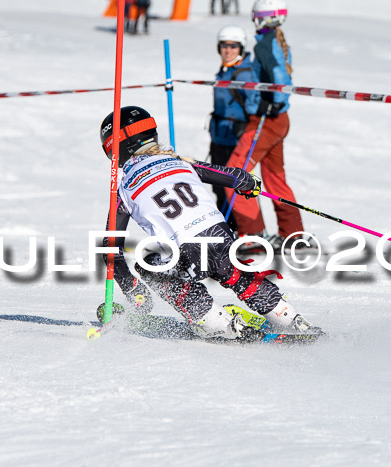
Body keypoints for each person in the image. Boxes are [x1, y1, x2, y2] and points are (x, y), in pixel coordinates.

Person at [100, 106, 317, 340]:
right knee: (234, 270)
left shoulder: (124, 189)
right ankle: (287, 317)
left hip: (185, 252)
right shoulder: (181, 163)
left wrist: (133, 288)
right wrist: (249, 184)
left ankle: (213, 321)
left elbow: (110, 249)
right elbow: (237, 177)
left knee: (148, 264)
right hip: (219, 236)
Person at [224, 0, 304, 252]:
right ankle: (293, 234)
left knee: (234, 171)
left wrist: (275, 102)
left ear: (264, 19)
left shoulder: (266, 45)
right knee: (274, 177)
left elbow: (280, 77)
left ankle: (252, 234)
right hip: (278, 120)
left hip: (267, 120)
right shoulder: (276, 41)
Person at [209, 25, 259, 233]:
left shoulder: (245, 73)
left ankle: (244, 229)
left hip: (236, 138)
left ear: (241, 47)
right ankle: (226, 229)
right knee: (218, 185)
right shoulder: (225, 69)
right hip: (219, 136)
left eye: (233, 46)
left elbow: (254, 105)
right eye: (224, 46)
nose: (228, 50)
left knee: (236, 186)